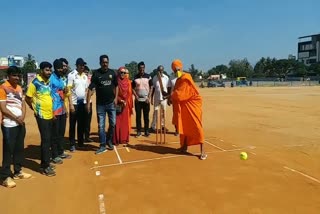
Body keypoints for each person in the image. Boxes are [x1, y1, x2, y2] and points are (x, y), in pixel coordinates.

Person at [0, 66, 31, 188]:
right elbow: (3, 108)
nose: (17, 78)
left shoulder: (19, 88)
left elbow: (23, 104)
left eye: (18, 75)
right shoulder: (3, 88)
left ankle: (18, 171)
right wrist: (16, 118)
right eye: (14, 75)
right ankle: (5, 176)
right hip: (9, 124)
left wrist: (22, 117)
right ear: (9, 76)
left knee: (19, 148)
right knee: (8, 150)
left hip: (19, 123)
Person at [170, 59, 207, 160]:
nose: (176, 71)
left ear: (181, 68)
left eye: (177, 69)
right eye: (174, 70)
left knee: (197, 126)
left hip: (192, 106)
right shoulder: (178, 80)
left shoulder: (186, 77)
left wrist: (171, 96)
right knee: (184, 126)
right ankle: (184, 146)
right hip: (184, 107)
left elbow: (180, 94)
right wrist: (171, 97)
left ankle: (203, 151)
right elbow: (176, 93)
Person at [25, 62, 56, 176]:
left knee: (48, 139)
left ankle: (46, 162)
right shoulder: (35, 83)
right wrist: (34, 108)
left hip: (49, 114)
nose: (49, 72)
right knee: (46, 140)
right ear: (41, 70)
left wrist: (52, 112)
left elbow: (48, 97)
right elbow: (28, 98)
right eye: (47, 70)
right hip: (41, 115)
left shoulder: (47, 82)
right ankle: (45, 166)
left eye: (50, 70)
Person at [86, 55, 118, 154]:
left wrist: (116, 98)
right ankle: (102, 145)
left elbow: (116, 86)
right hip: (100, 105)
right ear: (100, 63)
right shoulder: (96, 74)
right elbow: (90, 88)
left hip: (111, 103)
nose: (105, 64)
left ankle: (109, 140)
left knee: (113, 124)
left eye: (107, 62)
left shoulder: (112, 73)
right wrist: (87, 103)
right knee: (101, 126)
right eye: (103, 62)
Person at [50, 59, 71, 162]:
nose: (61, 69)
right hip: (55, 110)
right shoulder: (51, 78)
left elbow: (63, 94)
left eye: (62, 68)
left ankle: (61, 151)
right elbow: (48, 95)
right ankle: (54, 155)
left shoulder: (62, 78)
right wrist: (51, 111)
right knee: (55, 133)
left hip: (62, 108)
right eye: (59, 68)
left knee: (61, 132)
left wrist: (66, 109)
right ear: (55, 68)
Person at [67, 58, 89, 152]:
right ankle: (72, 144)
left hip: (82, 104)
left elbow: (87, 89)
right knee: (73, 124)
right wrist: (71, 104)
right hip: (74, 104)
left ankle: (80, 142)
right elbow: (68, 89)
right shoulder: (71, 75)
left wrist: (86, 102)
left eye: (83, 65)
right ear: (77, 65)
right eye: (81, 65)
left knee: (81, 124)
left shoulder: (84, 76)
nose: (82, 67)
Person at [113, 67, 133, 145]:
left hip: (125, 105)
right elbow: (114, 92)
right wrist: (120, 100)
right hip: (117, 104)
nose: (123, 74)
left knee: (125, 123)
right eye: (121, 72)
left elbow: (129, 93)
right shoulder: (116, 82)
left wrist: (125, 101)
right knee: (117, 122)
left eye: (124, 73)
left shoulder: (128, 82)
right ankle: (116, 139)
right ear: (118, 73)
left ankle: (123, 138)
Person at [132, 61, 152, 137]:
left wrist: (149, 97)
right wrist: (136, 96)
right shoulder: (135, 77)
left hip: (146, 100)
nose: (142, 70)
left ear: (144, 68)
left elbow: (151, 87)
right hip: (138, 101)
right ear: (138, 69)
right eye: (140, 68)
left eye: (143, 68)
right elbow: (132, 88)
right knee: (138, 117)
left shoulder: (148, 76)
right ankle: (139, 131)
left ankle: (146, 131)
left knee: (146, 117)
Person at [150, 65, 169, 133]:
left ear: (163, 71)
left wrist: (167, 97)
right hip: (157, 97)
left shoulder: (166, 78)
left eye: (161, 70)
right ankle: (153, 126)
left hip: (164, 98)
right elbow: (153, 88)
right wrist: (151, 98)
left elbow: (168, 88)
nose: (160, 72)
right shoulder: (155, 78)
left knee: (163, 112)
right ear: (157, 70)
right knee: (155, 112)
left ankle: (162, 126)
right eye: (159, 70)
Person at [84, 65, 93, 142]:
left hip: (89, 102)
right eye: (85, 72)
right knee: (82, 120)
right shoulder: (81, 78)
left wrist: (90, 93)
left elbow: (93, 90)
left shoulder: (90, 79)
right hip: (81, 102)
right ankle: (81, 136)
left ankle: (87, 136)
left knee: (88, 120)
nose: (86, 73)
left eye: (87, 72)